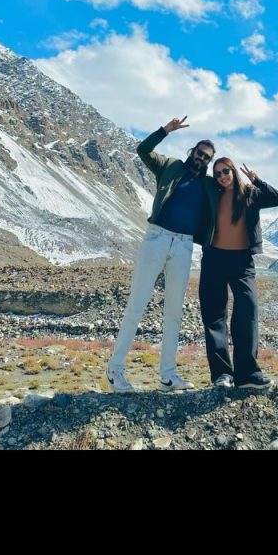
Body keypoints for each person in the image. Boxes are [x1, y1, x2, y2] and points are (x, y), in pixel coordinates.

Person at [106, 116, 218, 393]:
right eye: (200, 154)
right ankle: (115, 370)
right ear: (192, 152)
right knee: (137, 304)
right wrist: (165, 130)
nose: (202, 159)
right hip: (157, 237)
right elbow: (142, 150)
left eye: (207, 158)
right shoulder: (170, 166)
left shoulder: (207, 186)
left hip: (183, 246)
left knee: (174, 313)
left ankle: (168, 375)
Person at [199, 157, 278, 391]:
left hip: (242, 261)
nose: (222, 176)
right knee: (214, 316)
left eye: (225, 171)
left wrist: (257, 180)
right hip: (214, 258)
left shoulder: (250, 193)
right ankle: (222, 375)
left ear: (233, 171)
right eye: (217, 173)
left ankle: (247, 374)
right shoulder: (212, 193)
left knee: (248, 309)